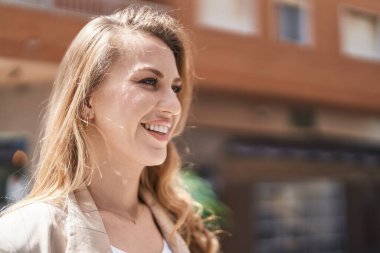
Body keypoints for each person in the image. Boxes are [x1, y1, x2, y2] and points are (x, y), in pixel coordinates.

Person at [0, 5, 220, 253]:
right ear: (86, 101)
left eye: (175, 88)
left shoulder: (186, 229)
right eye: (149, 81)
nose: (174, 107)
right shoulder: (25, 235)